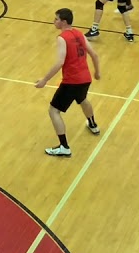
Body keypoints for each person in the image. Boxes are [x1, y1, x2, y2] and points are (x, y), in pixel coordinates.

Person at [34, 8, 102, 157]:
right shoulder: (79, 33)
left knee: (53, 111)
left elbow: (59, 62)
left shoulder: (62, 38)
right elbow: (94, 55)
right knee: (82, 99)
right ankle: (92, 124)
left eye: (56, 19)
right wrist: (97, 72)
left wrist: (45, 80)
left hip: (72, 81)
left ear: (63, 22)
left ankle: (64, 146)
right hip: (86, 78)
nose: (54, 21)